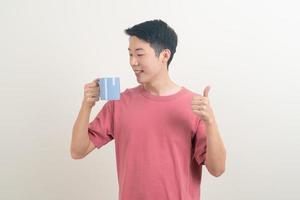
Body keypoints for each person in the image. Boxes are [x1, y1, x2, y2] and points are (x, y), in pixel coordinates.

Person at [70, 19, 226, 200]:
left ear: (164, 56)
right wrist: (86, 106)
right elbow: (77, 151)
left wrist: (210, 122)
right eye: (130, 54)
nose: (133, 62)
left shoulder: (194, 105)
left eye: (139, 54)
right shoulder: (119, 104)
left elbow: (217, 169)